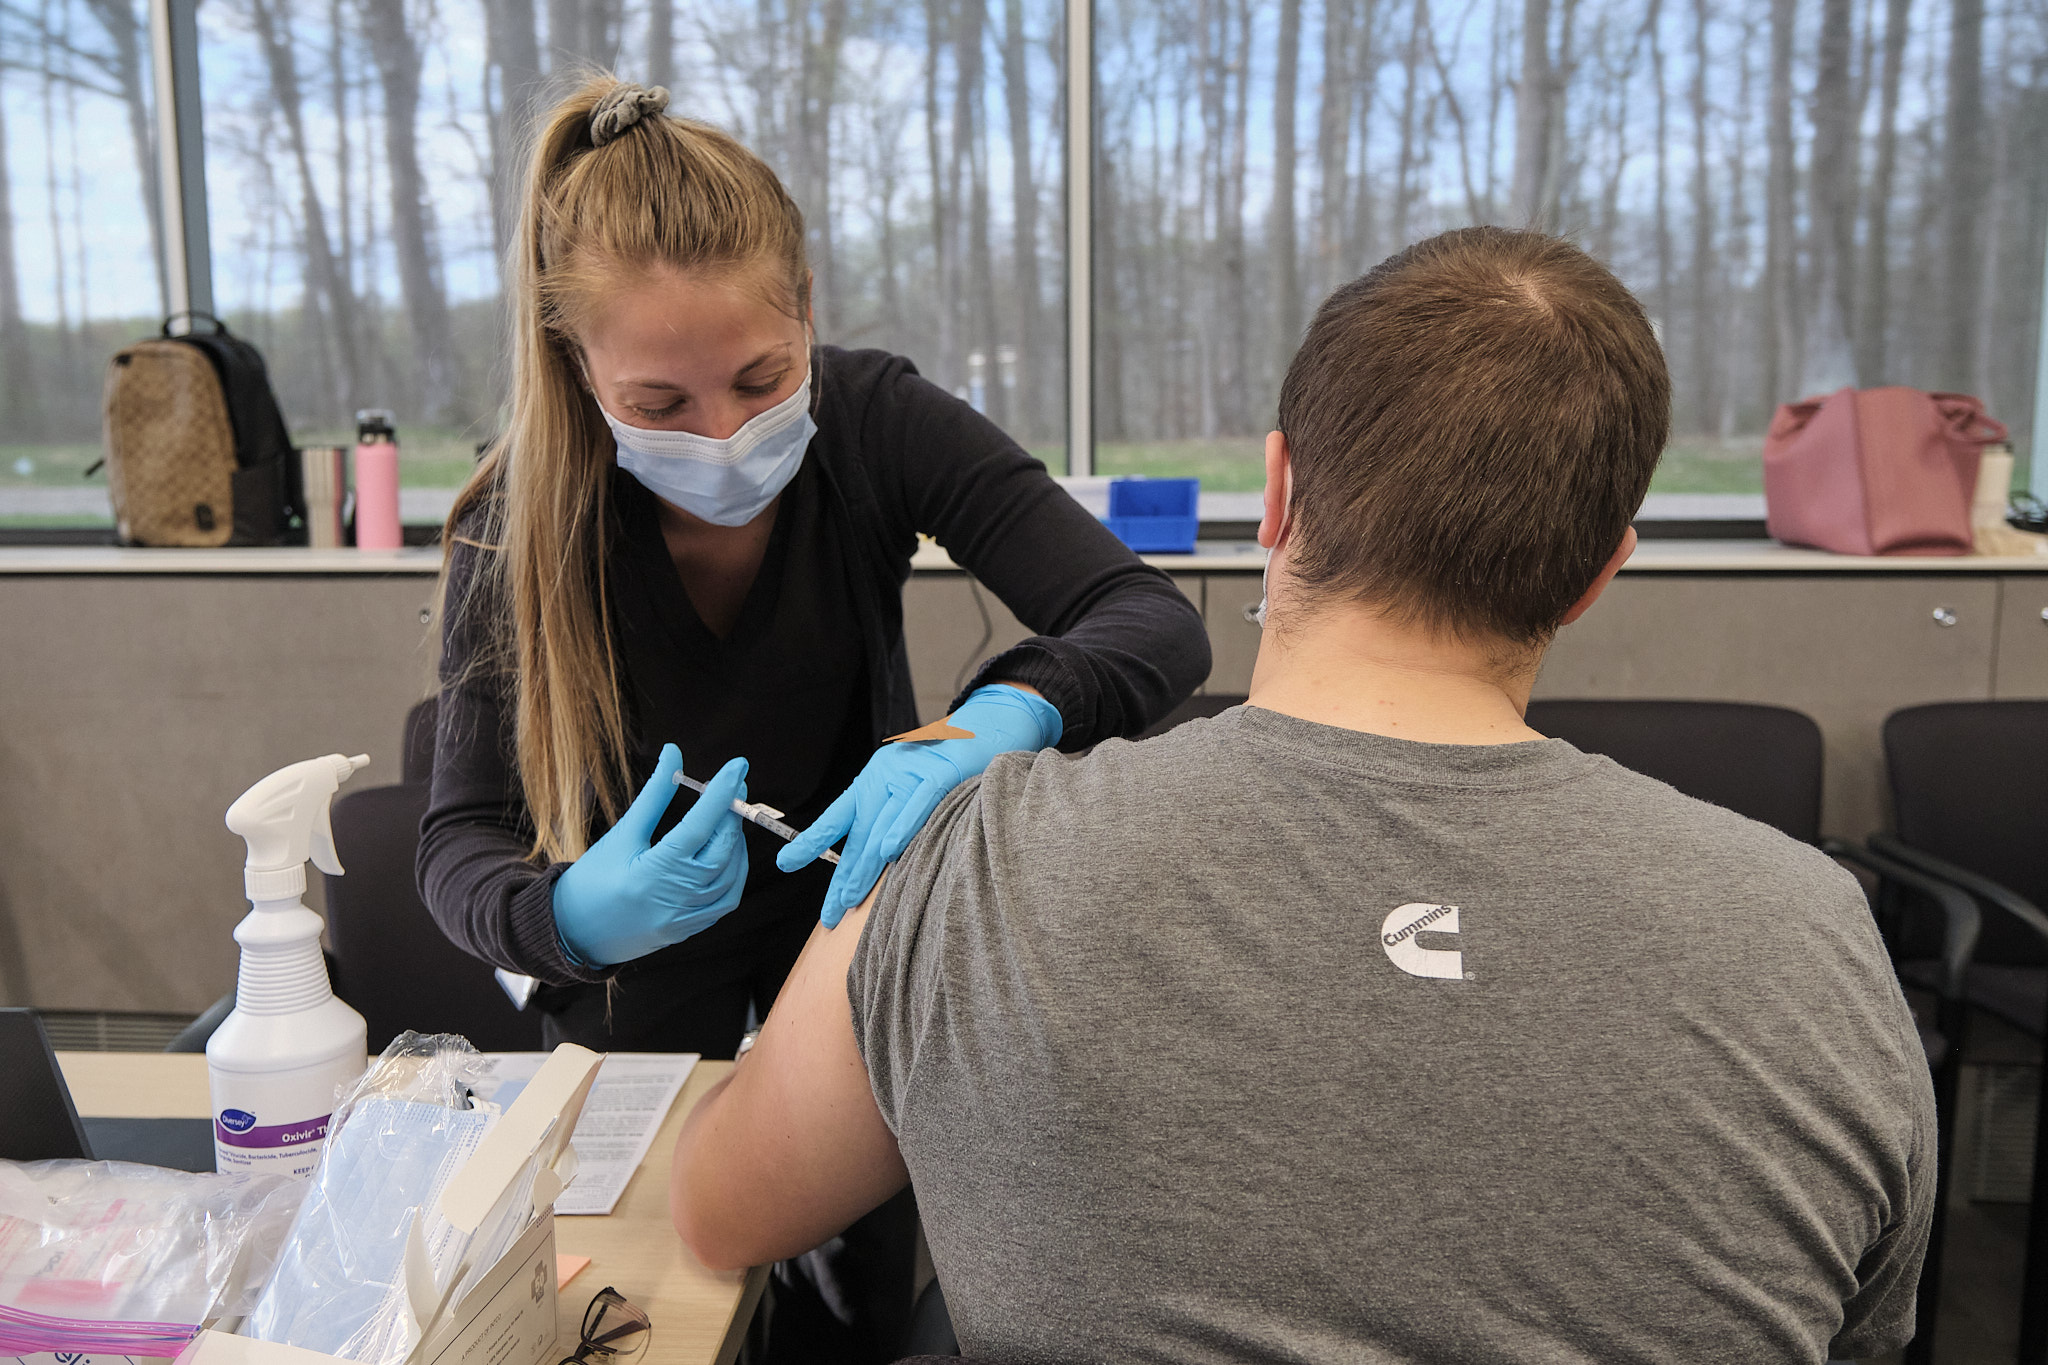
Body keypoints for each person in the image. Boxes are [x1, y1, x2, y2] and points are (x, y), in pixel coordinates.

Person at [668, 227, 1938, 1364]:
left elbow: (721, 1211)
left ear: (1276, 492)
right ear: (1598, 571)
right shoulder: (1813, 937)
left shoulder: (967, 855)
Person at [418, 77, 1207, 1360]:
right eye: (659, 405)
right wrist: (564, 916)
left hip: (848, 929)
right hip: (630, 985)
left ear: (806, 318)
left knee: (849, 1307)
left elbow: (1145, 619)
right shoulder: (511, 520)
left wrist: (1005, 714)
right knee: (642, 1303)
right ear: (575, 367)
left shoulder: (874, 417)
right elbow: (452, 842)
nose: (723, 436)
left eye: (758, 376)